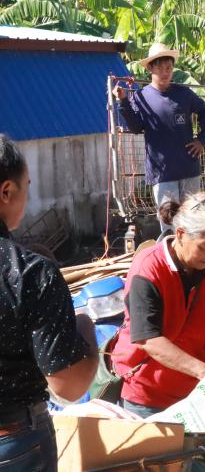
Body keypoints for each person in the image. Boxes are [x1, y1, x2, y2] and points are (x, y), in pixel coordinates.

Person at [0, 134, 98, 471]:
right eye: (26, 187)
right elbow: (68, 385)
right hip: (14, 443)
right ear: (6, 192)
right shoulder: (30, 273)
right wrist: (86, 332)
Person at [112, 193, 205, 418]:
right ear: (181, 234)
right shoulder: (148, 268)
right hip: (148, 394)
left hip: (196, 394)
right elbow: (149, 339)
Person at [113, 43, 205, 231]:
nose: (165, 72)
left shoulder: (184, 94)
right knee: (169, 226)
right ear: (150, 68)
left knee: (192, 223)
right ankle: (169, 250)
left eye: (168, 68)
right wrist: (123, 101)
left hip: (189, 168)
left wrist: (202, 139)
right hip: (162, 173)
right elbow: (136, 127)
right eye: (160, 68)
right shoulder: (141, 97)